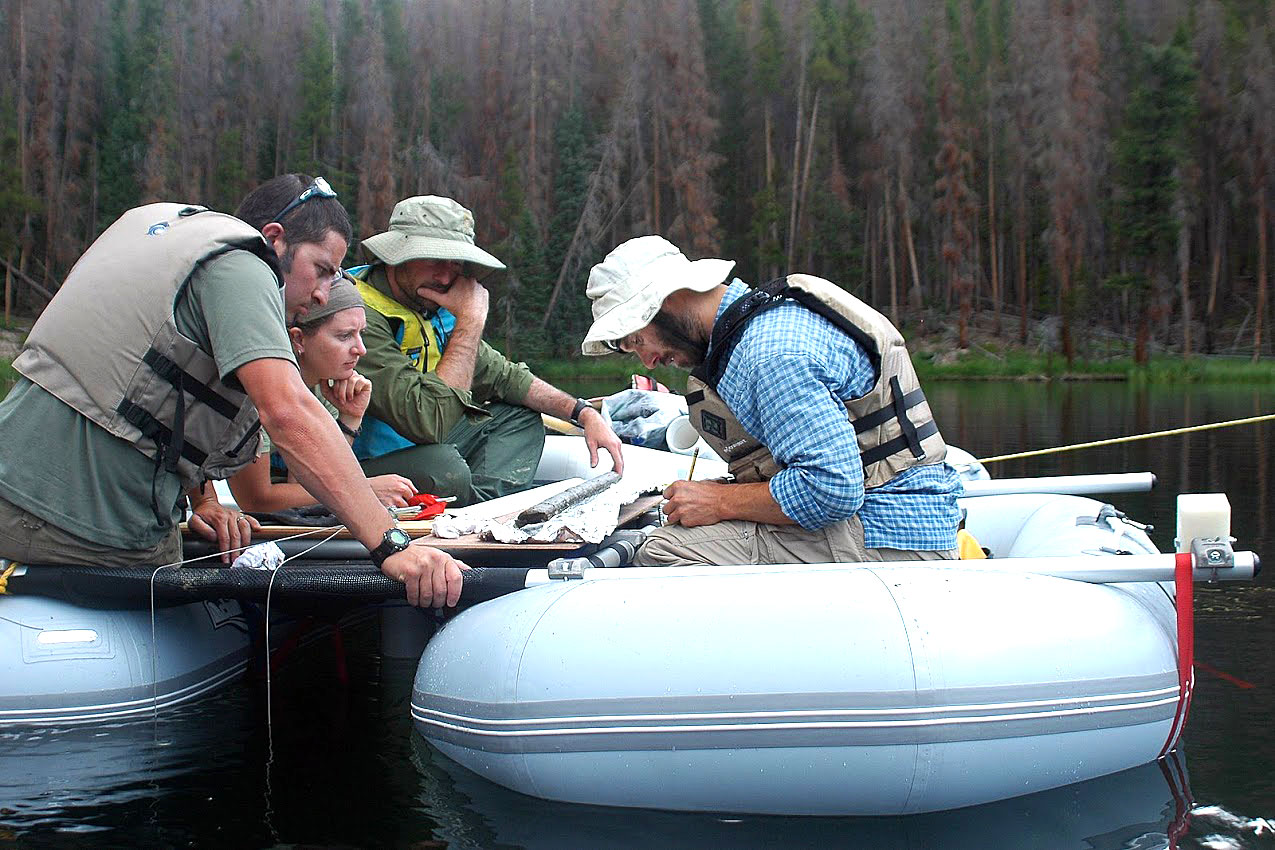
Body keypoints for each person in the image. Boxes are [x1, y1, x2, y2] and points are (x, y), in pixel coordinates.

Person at [0, 175, 463, 607]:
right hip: (80, 532)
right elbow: (288, 413)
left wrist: (202, 500)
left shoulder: (164, 229)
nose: (324, 293)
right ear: (275, 238)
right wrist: (391, 545)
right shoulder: (245, 263)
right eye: (321, 269)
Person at [581, 235, 963, 566]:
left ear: (670, 300)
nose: (648, 360)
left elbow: (831, 489)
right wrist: (723, 495)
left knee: (659, 550)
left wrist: (719, 502)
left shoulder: (770, 354)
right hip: (890, 521)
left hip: (891, 536)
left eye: (638, 340)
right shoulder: (759, 329)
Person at [347, 195, 624, 506]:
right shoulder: (356, 314)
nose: (446, 276)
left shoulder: (429, 304)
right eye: (434, 259)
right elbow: (428, 423)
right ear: (398, 255)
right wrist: (471, 319)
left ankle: (482, 509)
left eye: (455, 263)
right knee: (445, 468)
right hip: (363, 465)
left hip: (427, 444)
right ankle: (468, 508)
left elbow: (505, 378)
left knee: (518, 419)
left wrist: (583, 413)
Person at [226, 277, 416, 513]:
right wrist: (364, 490)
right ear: (298, 339)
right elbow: (256, 499)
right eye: (345, 336)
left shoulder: (323, 384)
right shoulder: (260, 390)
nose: (361, 349)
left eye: (361, 334)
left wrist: (350, 418)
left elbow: (305, 482)